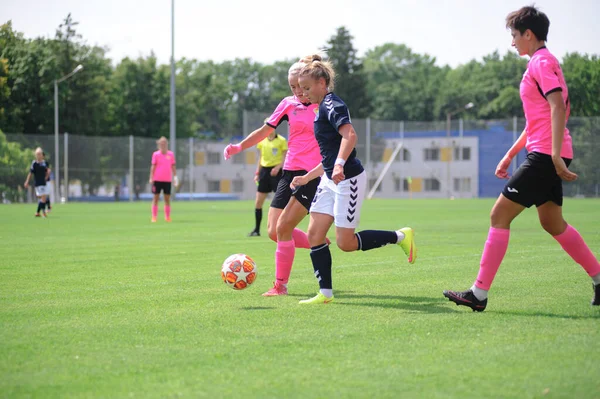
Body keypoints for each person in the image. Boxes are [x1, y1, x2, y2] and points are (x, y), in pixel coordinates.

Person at [443, 5, 600, 311]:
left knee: (498, 215)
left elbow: (557, 107)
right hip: (549, 151)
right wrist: (510, 155)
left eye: (515, 35)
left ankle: (479, 294)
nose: (512, 42)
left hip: (546, 155)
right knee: (553, 223)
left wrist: (553, 156)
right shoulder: (546, 63)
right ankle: (599, 279)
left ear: (529, 34)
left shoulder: (541, 63)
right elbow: (537, 120)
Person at [290, 54, 417, 305]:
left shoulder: (331, 105)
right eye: (300, 89)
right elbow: (329, 154)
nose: (303, 94)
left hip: (348, 180)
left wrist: (338, 165)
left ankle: (401, 236)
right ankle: (325, 294)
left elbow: (350, 135)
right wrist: (308, 177)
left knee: (345, 243)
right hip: (329, 180)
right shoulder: (319, 109)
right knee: (314, 234)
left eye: (307, 88)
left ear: (322, 83)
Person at [223, 60, 323, 296]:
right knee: (272, 231)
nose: (297, 91)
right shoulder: (288, 104)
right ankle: (316, 241)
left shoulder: (323, 104)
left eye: (300, 85)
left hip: (311, 175)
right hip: (288, 173)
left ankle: (280, 286)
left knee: (284, 227)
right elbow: (264, 130)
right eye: (292, 87)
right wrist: (239, 147)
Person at [248, 130, 287, 236]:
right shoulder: (261, 141)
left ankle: (284, 228)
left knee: (281, 201)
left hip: (277, 172)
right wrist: (257, 173)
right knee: (258, 202)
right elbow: (260, 158)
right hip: (264, 172)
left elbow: (285, 157)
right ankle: (257, 229)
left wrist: (278, 167)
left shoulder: (282, 140)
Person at [149, 136, 178, 223]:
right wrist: (151, 177)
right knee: (156, 198)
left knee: (167, 199)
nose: (163, 145)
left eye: (165, 143)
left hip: (167, 180)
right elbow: (153, 166)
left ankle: (167, 217)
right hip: (157, 179)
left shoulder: (171, 154)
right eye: (161, 143)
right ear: (159, 144)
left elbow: (173, 166)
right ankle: (154, 217)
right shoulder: (156, 154)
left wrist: (175, 177)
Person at [24, 147, 51, 218]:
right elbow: (30, 173)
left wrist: (47, 176)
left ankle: (38, 212)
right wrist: (27, 181)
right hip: (38, 184)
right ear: (35, 155)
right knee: (43, 198)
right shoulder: (34, 163)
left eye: (40, 154)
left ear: (42, 155)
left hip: (44, 183)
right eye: (37, 154)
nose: (39, 155)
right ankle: (43, 212)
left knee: (43, 198)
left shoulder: (44, 163)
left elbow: (48, 171)